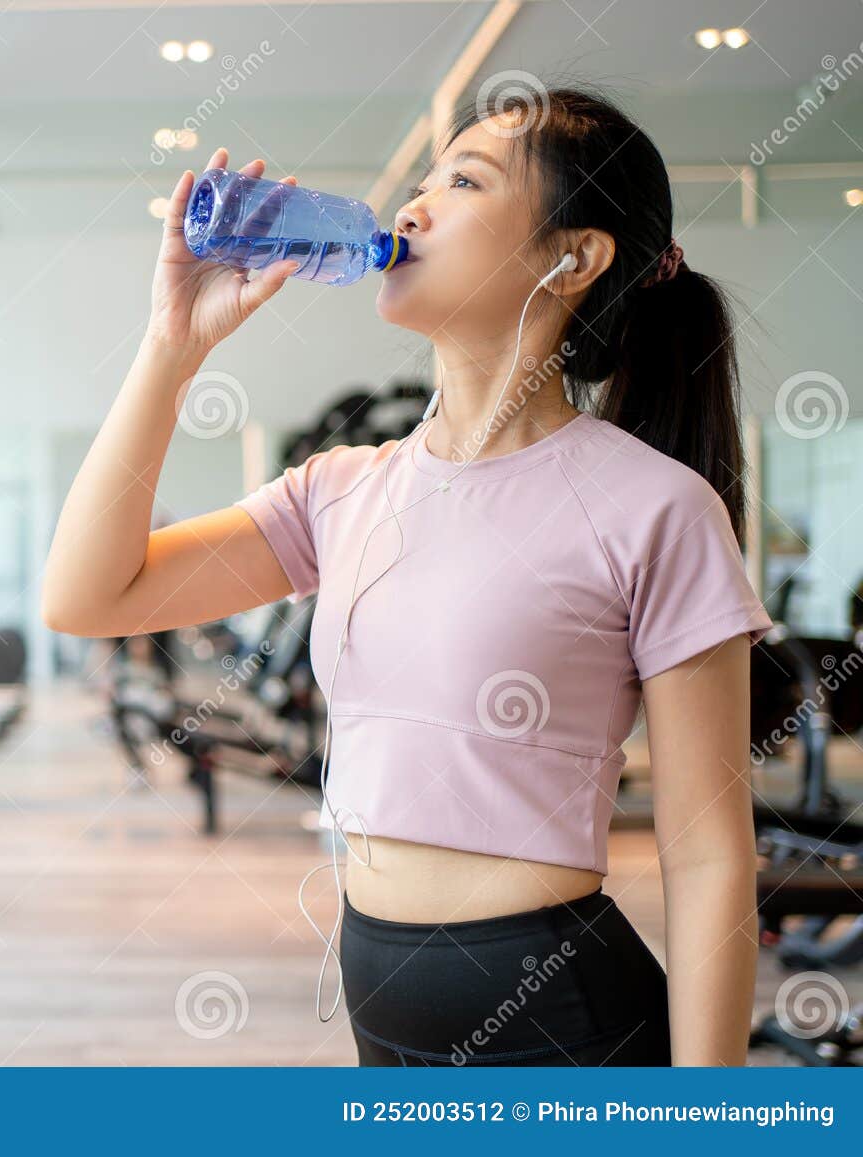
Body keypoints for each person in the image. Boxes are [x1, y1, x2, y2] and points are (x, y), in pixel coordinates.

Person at [40, 86, 773, 1067]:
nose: (412, 207)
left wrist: (708, 1116)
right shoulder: (341, 489)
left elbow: (709, 850)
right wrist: (173, 347)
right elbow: (87, 596)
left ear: (576, 255)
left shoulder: (657, 508)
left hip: (557, 1017)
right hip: (376, 988)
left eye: (463, 182)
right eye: (421, 182)